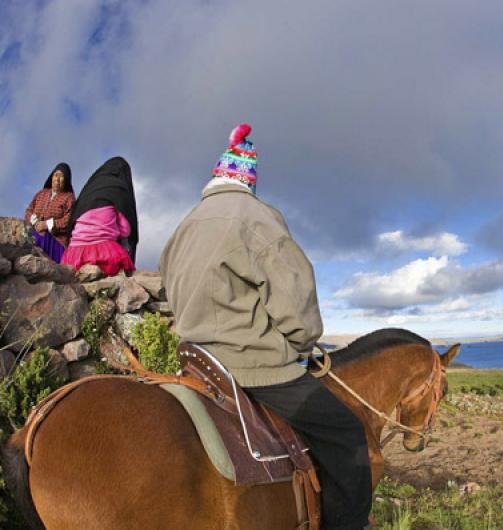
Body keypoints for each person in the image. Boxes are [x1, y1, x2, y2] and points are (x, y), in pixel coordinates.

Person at [160, 124, 372, 530]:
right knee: (346, 433)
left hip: (197, 362)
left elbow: (169, 284)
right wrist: (299, 344)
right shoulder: (257, 217)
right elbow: (294, 298)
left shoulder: (184, 225)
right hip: (251, 365)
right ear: (249, 180)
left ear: (217, 177)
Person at [62, 157, 138, 277]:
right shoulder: (117, 189)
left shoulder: (88, 190)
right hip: (104, 253)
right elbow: (126, 230)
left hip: (74, 254)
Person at [23, 162, 75, 262]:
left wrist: (47, 224)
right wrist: (34, 222)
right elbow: (29, 210)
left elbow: (69, 219)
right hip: (35, 231)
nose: (58, 179)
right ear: (52, 177)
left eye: (61, 176)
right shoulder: (41, 194)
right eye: (56, 175)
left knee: (36, 237)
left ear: (66, 180)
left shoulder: (69, 198)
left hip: (56, 241)